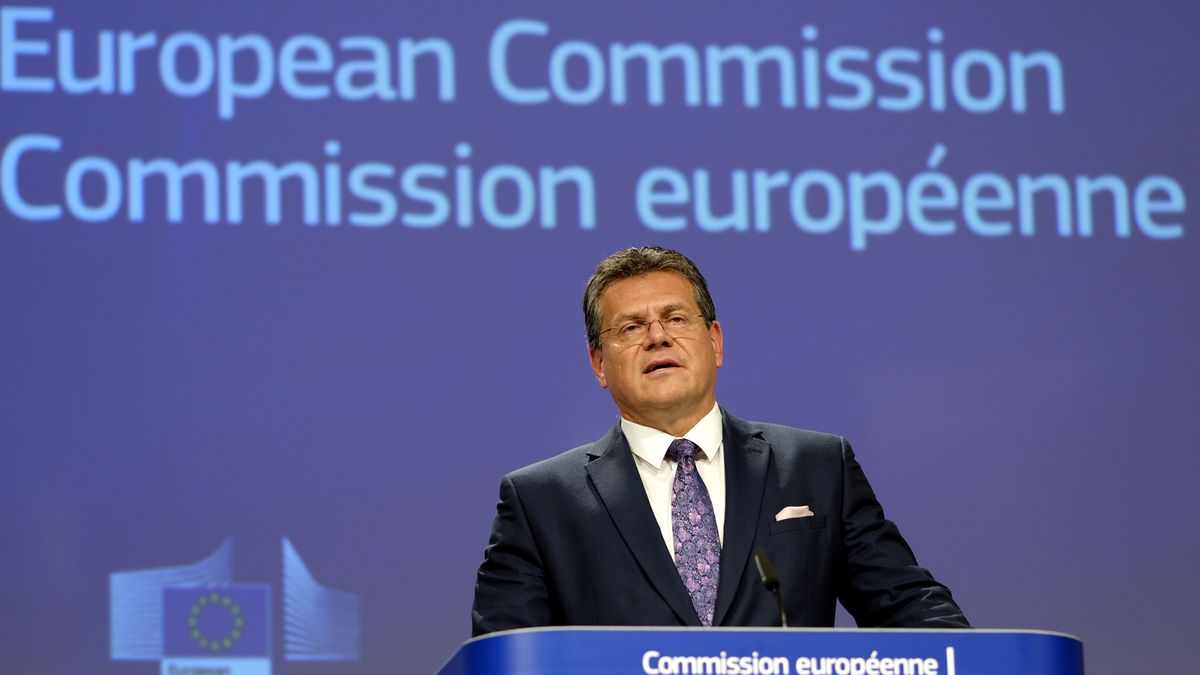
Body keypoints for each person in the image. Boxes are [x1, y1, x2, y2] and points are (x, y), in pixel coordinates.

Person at [471, 246, 968, 635]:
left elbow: (905, 605)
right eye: (631, 327)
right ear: (599, 364)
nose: (658, 337)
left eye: (676, 318)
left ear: (716, 342)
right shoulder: (539, 501)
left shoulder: (816, 467)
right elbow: (508, 655)